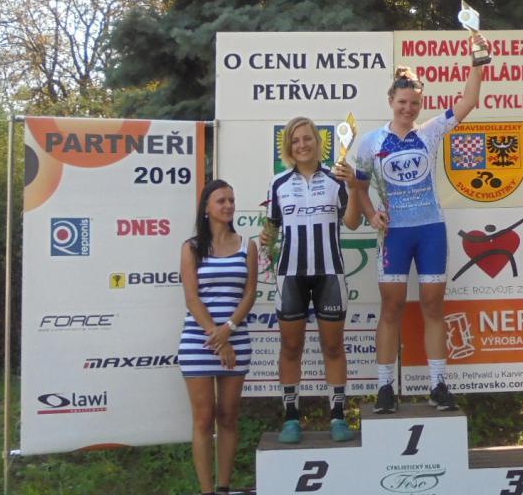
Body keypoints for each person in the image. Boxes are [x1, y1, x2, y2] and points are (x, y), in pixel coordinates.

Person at [348, 40, 486, 414]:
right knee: (391, 308)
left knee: (432, 305)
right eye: (402, 102)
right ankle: (384, 388)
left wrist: (478, 63)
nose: (408, 109)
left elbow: (468, 102)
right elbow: (358, 188)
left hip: (430, 230)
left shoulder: (429, 132)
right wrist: (371, 214)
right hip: (394, 234)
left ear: (420, 105)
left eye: (414, 103)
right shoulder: (370, 143)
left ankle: (438, 385)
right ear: (391, 101)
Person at [264, 116, 364, 444]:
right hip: (290, 275)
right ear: (288, 147)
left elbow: (352, 223)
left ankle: (338, 416)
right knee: (291, 347)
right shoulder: (278, 183)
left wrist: (353, 186)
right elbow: (271, 228)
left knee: (333, 346)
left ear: (318, 143)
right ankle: (291, 418)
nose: (302, 145)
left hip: (329, 274)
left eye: (307, 138)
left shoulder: (336, 180)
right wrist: (265, 241)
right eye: (295, 140)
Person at [178, 179, 257, 495]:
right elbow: (191, 298)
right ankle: (206, 491)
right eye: (221, 200)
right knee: (203, 419)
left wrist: (229, 331)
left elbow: (249, 294)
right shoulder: (191, 247)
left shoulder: (247, 245)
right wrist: (218, 337)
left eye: (231, 200)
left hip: (235, 340)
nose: (228, 206)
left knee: (227, 417)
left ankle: (223, 488)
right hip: (199, 342)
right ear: (207, 208)